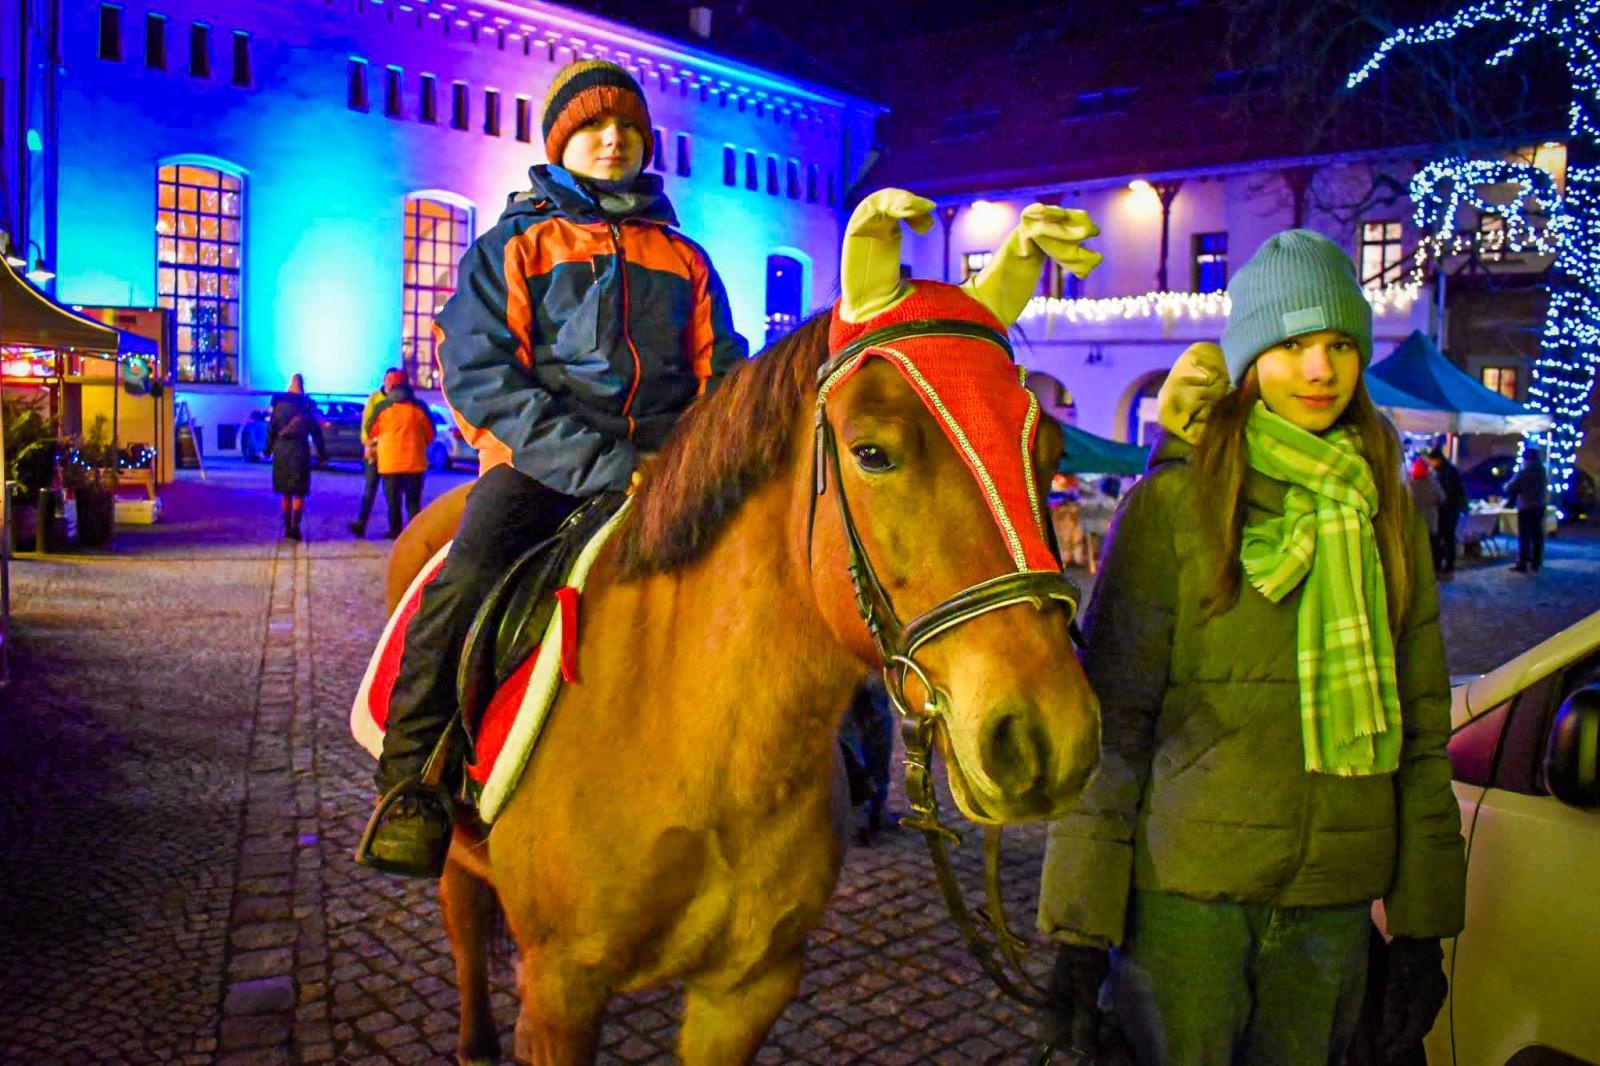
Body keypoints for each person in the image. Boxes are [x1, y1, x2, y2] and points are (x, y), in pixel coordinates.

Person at [1037, 230, 1465, 1065]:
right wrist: (1080, 934)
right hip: (1186, 909)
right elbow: (1116, 729)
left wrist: (1422, 928)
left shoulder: (1385, 510)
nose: (1320, 369)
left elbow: (1421, 734)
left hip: (1333, 910)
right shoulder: (1174, 504)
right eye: (1292, 344)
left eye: (1340, 344)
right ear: (1250, 358)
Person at [358, 59, 748, 878]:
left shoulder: (687, 260)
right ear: (560, 141)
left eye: (628, 127)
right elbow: (483, 377)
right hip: (542, 466)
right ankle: (413, 781)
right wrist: (604, 462)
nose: (613, 139)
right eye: (593, 126)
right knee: (466, 581)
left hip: (668, 467)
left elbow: (721, 373)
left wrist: (694, 456)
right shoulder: (513, 246)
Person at [368, 381, 436, 538]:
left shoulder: (384, 411)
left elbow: (372, 431)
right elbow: (430, 434)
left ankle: (395, 532)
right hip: (414, 463)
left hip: (390, 464)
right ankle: (414, 534)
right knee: (413, 503)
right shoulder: (418, 411)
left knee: (393, 503)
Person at [264, 373, 327, 541]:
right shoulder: (307, 406)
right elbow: (316, 432)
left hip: (282, 450)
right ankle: (295, 528)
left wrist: (267, 449)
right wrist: (322, 453)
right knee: (299, 492)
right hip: (300, 449)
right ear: (302, 385)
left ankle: (287, 528)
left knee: (286, 493)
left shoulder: (279, 405)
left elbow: (272, 429)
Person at [350, 367, 407, 538]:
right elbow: (367, 423)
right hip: (375, 454)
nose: (389, 382)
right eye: (387, 378)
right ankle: (361, 524)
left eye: (393, 379)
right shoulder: (375, 398)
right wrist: (368, 443)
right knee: (369, 490)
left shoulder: (401, 399)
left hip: (392, 454)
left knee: (392, 494)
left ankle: (395, 529)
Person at [1503, 448, 1548, 574]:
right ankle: (1536, 562)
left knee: (1524, 536)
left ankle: (1522, 562)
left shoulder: (1524, 472)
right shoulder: (1542, 471)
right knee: (1537, 535)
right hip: (1539, 506)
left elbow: (1509, 487)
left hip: (1526, 507)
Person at [1427, 446, 1466, 579]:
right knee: (1446, 537)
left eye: (1432, 461)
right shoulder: (1446, 470)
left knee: (1447, 537)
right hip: (1449, 509)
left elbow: (1447, 493)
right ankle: (1446, 564)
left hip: (1448, 510)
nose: (1431, 463)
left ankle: (1448, 564)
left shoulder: (1446, 472)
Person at [1407, 456, 1444, 574]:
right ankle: (1435, 569)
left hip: (1416, 522)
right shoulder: (1431, 483)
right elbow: (1442, 498)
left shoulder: (1410, 484)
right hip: (1431, 521)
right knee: (1433, 547)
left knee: (1418, 549)